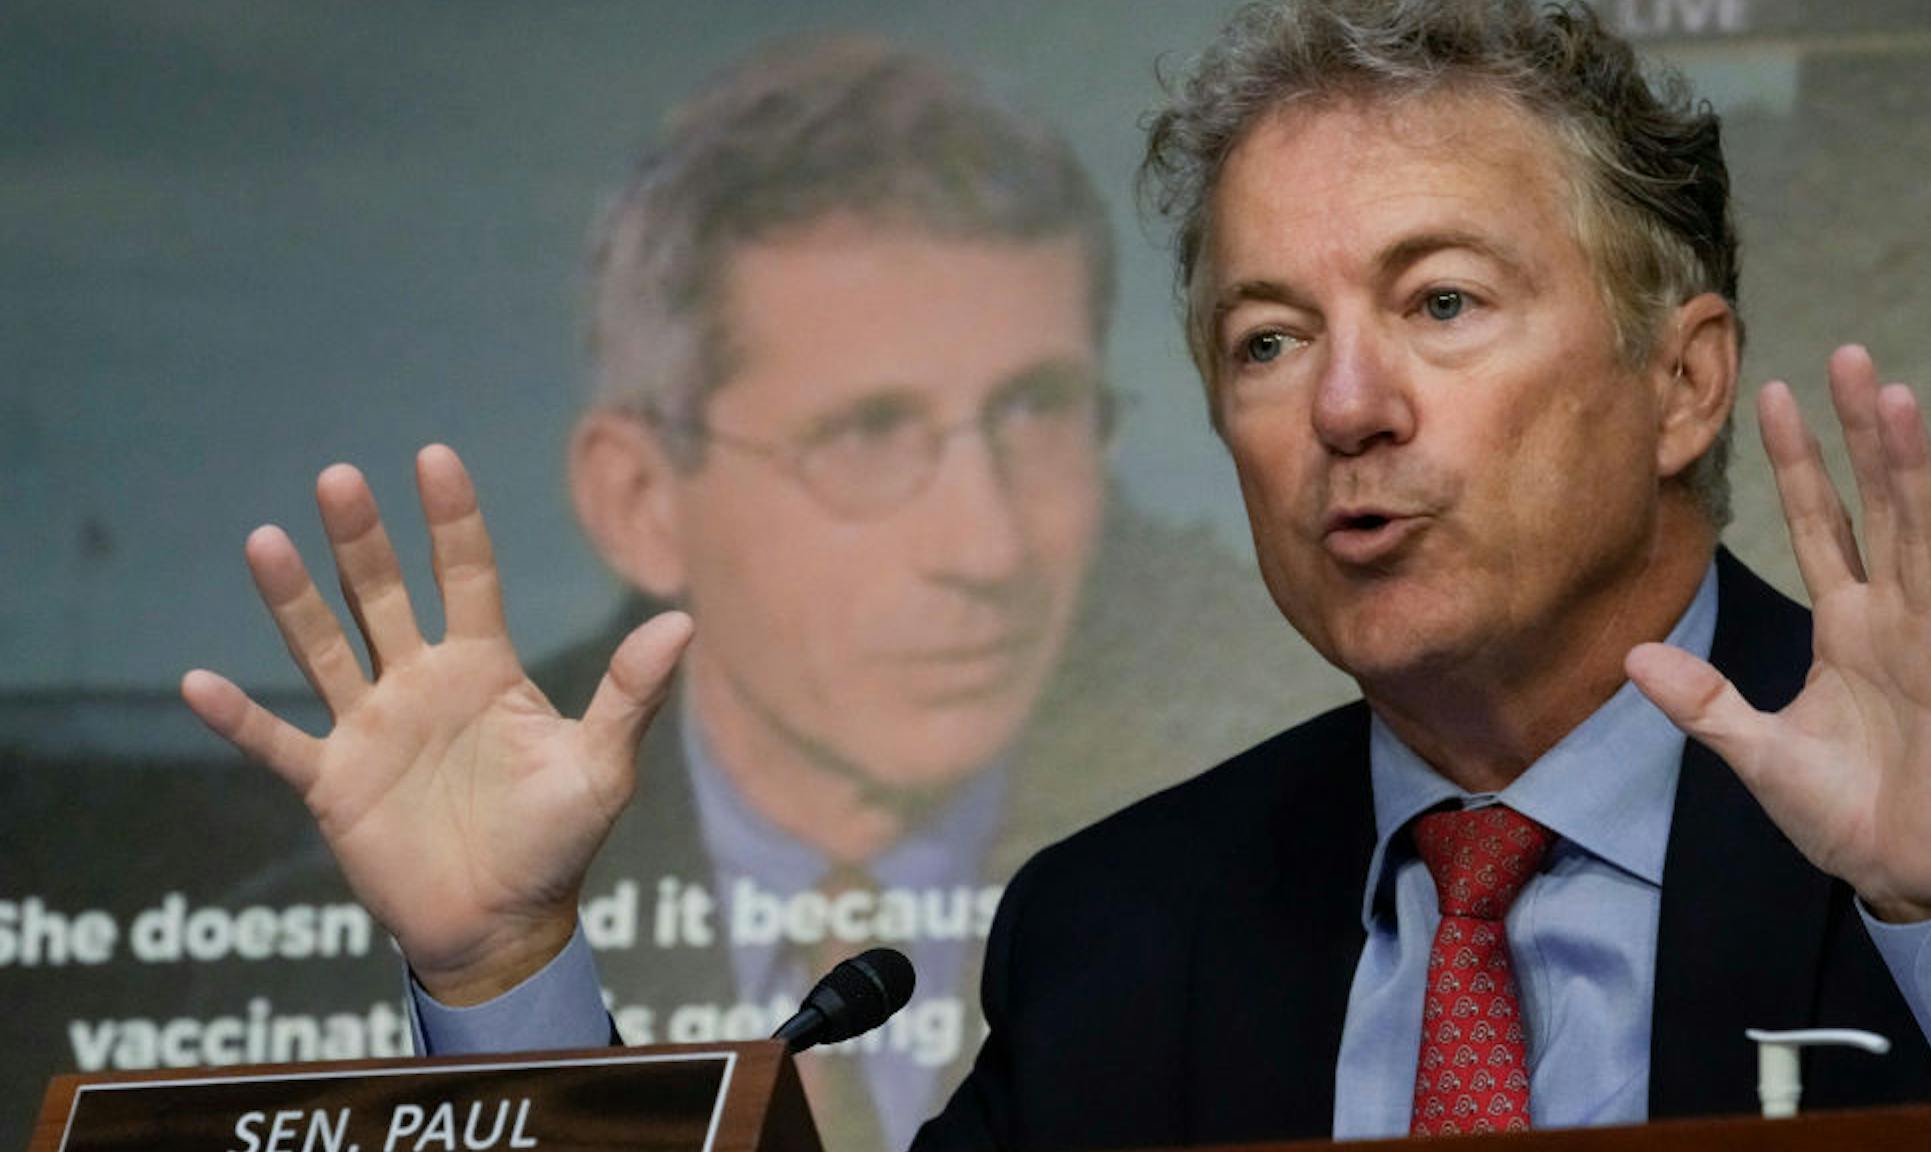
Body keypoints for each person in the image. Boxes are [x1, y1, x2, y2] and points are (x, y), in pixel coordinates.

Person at [907, 1, 1931, 1146]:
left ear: (1683, 384)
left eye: (1440, 302)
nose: (1344, 409)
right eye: (1268, 340)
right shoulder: (1110, 933)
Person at [179, 36, 1341, 1152]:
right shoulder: (224, 957)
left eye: (1035, 413)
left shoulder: (1116, 926)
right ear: (639, 497)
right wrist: (501, 971)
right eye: (869, 433)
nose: (985, 549)